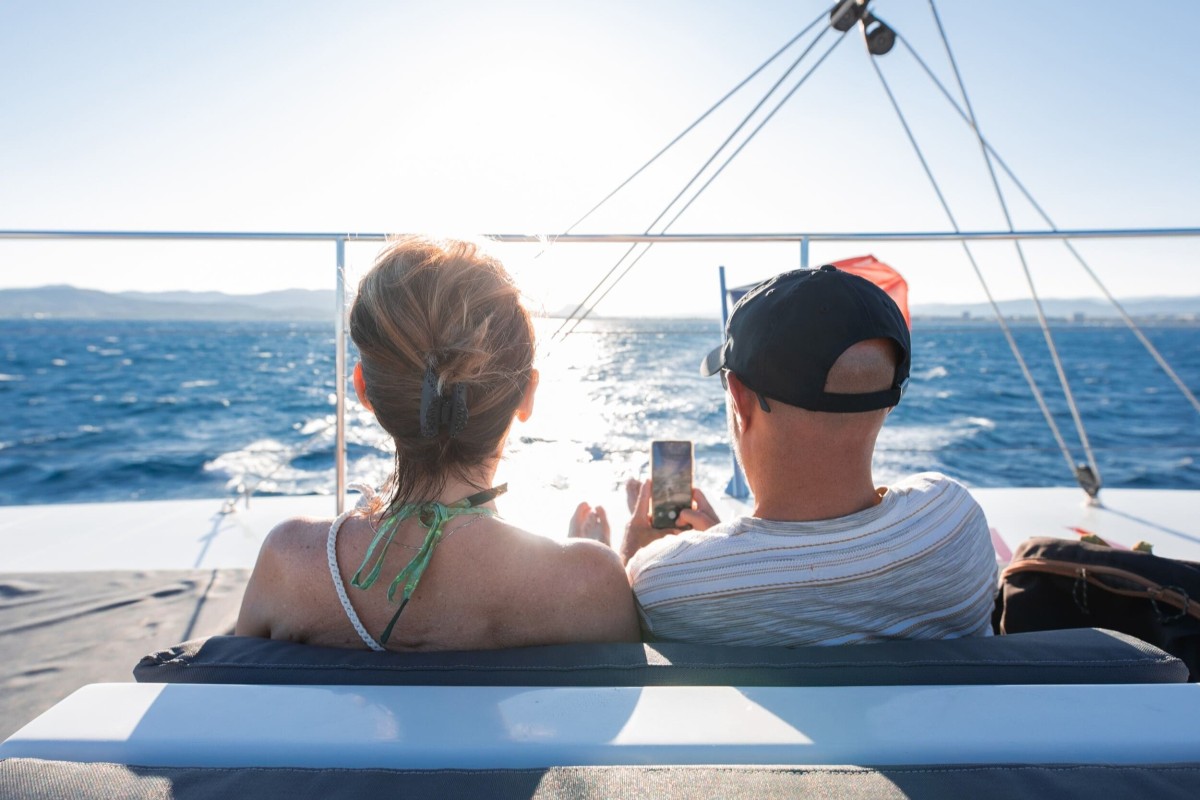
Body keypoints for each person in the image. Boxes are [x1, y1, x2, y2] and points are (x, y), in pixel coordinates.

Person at [236, 236, 639, 651]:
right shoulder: (590, 583)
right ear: (526, 394)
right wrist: (583, 558)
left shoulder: (288, 561)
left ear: (364, 390)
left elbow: (230, 689)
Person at [575, 265, 998, 647]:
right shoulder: (955, 520)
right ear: (889, 401)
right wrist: (727, 542)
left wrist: (621, 557)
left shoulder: (666, 586)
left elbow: (624, 629)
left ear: (739, 400)